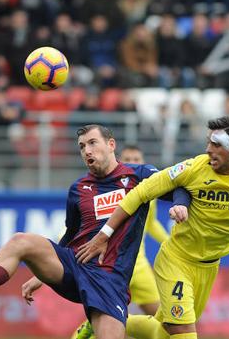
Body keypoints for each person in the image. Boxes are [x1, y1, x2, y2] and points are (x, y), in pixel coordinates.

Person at [0, 125, 189, 339]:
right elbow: (71, 237)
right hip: (75, 266)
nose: (87, 150)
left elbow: (180, 184)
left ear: (111, 145)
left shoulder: (139, 175)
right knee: (21, 241)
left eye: (93, 143)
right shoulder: (79, 188)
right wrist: (42, 273)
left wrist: (179, 206)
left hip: (109, 280)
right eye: (82, 146)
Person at [76, 116, 229, 339]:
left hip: (209, 266)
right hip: (177, 261)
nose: (208, 149)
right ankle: (106, 321)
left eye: (216, 144)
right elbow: (140, 192)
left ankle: (103, 322)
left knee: (161, 332)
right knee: (184, 332)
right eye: (207, 142)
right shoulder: (192, 168)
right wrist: (105, 233)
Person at [73, 145, 171, 339]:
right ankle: (92, 326)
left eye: (137, 159)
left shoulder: (149, 194)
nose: (133, 163)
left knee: (166, 322)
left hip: (139, 266)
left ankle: (92, 326)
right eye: (128, 159)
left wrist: (170, 242)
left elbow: (151, 225)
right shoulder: (108, 191)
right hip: (110, 265)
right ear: (119, 162)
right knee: (111, 322)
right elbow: (83, 225)